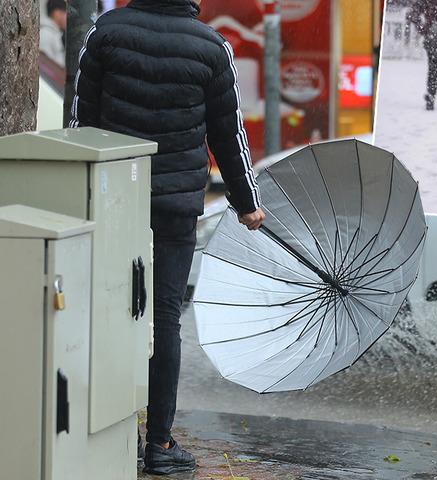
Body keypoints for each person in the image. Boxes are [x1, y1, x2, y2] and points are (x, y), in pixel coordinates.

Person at [68, 0, 265, 474]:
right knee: (163, 317)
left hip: (112, 198)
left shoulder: (106, 31)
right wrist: (247, 202)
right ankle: (159, 444)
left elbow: (81, 122)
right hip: (176, 205)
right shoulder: (211, 47)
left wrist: (77, 191)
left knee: (111, 309)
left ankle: (113, 433)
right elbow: (227, 132)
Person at [40, 0, 67, 67]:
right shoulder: (46, 34)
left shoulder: (55, 33)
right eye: (66, 14)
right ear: (57, 13)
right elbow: (45, 67)